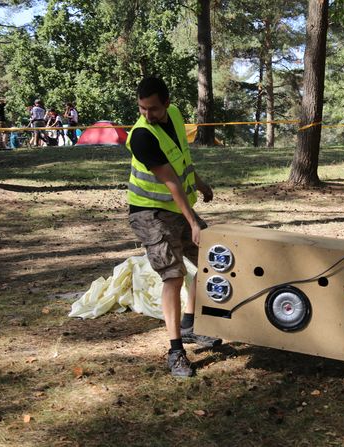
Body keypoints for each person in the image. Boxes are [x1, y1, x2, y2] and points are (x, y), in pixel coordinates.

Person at [126, 76, 221, 378]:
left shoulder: (177, 115)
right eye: (142, 109)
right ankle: (175, 350)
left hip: (175, 205)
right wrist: (193, 221)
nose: (147, 115)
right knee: (173, 275)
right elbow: (168, 181)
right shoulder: (142, 136)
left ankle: (191, 325)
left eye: (153, 109)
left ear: (166, 103)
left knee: (211, 258)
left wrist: (201, 182)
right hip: (149, 212)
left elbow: (182, 160)